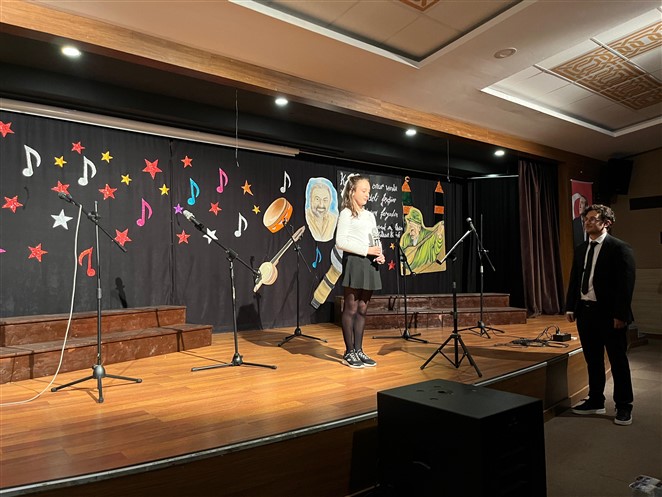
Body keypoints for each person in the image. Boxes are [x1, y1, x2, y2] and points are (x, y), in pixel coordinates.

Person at [565, 204, 636, 425]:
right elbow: (575, 279)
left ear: (607, 223)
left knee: (618, 361)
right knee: (593, 360)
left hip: (610, 315)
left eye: (593, 219)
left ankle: (624, 406)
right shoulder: (580, 248)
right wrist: (570, 307)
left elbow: (626, 285)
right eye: (586, 219)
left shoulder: (620, 248)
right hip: (585, 313)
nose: (587, 222)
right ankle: (596, 400)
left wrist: (620, 315)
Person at [335, 174, 385, 368]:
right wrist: (367, 250)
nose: (367, 195)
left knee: (363, 308)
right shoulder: (346, 213)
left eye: (368, 192)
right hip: (355, 262)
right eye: (363, 191)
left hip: (370, 264)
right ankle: (349, 351)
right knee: (352, 307)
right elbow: (340, 242)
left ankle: (359, 349)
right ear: (352, 191)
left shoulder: (370, 215)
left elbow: (375, 238)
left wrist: (379, 253)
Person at [399, 207, 444, 274]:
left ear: (419, 227)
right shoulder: (406, 237)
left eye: (412, 229)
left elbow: (434, 252)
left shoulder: (429, 235)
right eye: (409, 229)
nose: (410, 233)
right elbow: (401, 254)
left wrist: (439, 235)